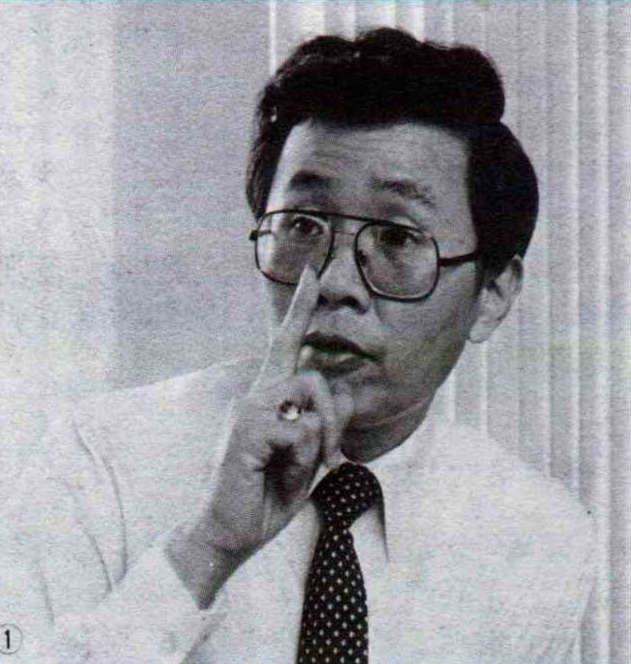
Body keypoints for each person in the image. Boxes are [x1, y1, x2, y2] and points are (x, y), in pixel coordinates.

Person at [1, 28, 594, 664]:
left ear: (493, 293)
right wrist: (207, 547)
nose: (333, 282)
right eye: (304, 226)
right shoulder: (101, 462)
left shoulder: (540, 539)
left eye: (397, 238)